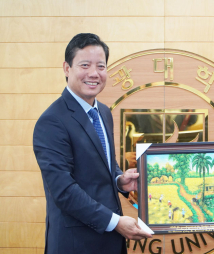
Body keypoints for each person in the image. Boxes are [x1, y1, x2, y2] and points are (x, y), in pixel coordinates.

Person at [33, 33, 152, 254]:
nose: (94, 74)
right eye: (85, 65)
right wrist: (115, 222)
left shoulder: (103, 112)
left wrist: (119, 180)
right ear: (67, 68)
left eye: (101, 66)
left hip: (110, 243)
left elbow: (104, 163)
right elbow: (64, 191)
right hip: (75, 243)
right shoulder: (51, 121)